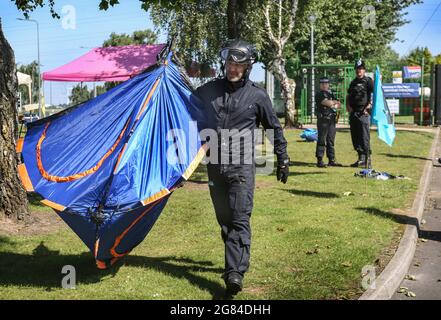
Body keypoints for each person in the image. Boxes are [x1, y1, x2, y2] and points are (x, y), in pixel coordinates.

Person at [194, 39, 289, 295]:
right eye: (229, 62)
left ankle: (235, 273)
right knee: (224, 220)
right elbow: (183, 106)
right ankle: (233, 259)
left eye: (238, 64)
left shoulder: (257, 95)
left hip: (242, 168)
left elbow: (273, 128)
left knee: (239, 219)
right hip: (215, 167)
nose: (232, 68)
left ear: (248, 66)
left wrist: (283, 158)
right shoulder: (208, 91)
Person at [347, 58, 374, 168]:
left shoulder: (368, 81)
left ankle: (367, 159)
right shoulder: (353, 82)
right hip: (354, 113)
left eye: (361, 69)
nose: (359, 71)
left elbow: (374, 95)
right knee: (356, 137)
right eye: (357, 69)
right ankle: (360, 159)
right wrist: (348, 107)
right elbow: (348, 96)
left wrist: (369, 106)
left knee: (364, 137)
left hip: (364, 113)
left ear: (364, 70)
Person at [315, 77, 342, 168]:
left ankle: (331, 160)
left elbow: (339, 104)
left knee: (330, 140)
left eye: (326, 83)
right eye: (322, 83)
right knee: (322, 140)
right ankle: (320, 160)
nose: (324, 85)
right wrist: (333, 103)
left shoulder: (331, 93)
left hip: (331, 120)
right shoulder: (319, 94)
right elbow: (328, 103)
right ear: (320, 85)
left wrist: (333, 102)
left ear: (328, 84)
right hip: (323, 120)